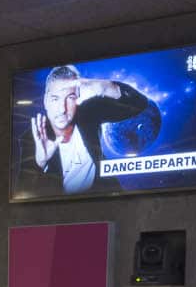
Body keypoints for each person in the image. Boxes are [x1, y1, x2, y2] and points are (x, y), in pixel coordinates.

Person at [29, 66, 153, 196]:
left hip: (107, 200)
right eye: (55, 98)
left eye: (70, 97)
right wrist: (40, 163)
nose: (62, 109)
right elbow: (24, 194)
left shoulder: (89, 112)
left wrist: (104, 87)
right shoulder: (32, 138)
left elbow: (140, 104)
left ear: (77, 98)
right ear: (46, 101)